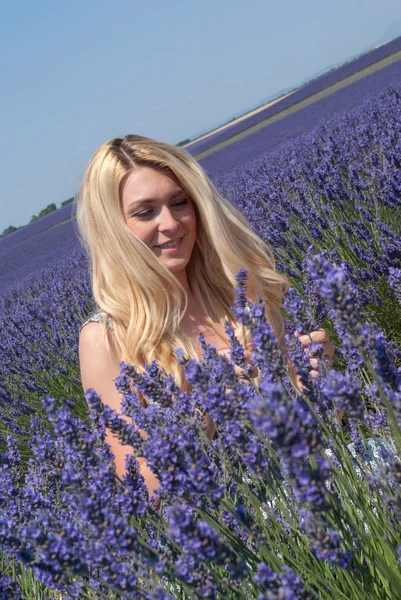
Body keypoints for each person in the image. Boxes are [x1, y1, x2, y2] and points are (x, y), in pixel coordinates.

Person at [77, 134, 334, 496]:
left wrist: (317, 383)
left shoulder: (239, 293)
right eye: (145, 211)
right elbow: (143, 493)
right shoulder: (105, 339)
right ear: (113, 228)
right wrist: (213, 405)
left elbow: (318, 434)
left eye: (179, 202)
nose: (170, 223)